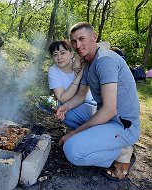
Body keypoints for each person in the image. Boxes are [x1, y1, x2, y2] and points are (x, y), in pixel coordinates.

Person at [55, 22, 140, 180]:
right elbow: (80, 96)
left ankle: (121, 154)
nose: (77, 45)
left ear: (94, 38)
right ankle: (99, 140)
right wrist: (65, 106)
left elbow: (109, 110)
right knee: (66, 111)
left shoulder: (105, 61)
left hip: (123, 124)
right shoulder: (89, 64)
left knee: (72, 150)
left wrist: (73, 134)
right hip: (106, 119)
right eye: (74, 41)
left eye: (81, 39)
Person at [48, 40, 97, 129]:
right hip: (69, 105)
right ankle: (78, 132)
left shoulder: (81, 62)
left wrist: (78, 58)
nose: (59, 57)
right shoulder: (53, 70)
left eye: (63, 53)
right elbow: (62, 98)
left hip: (89, 103)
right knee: (61, 112)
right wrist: (78, 77)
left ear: (71, 54)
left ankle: (84, 132)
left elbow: (105, 45)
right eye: (55, 55)